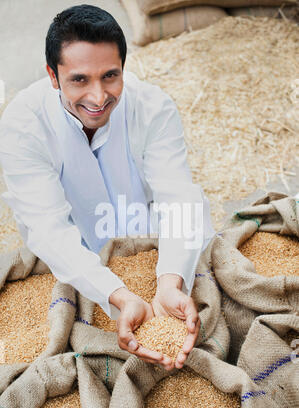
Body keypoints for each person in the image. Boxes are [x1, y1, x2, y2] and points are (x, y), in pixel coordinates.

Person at [0, 5, 215, 371]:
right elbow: (48, 230)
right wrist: (118, 296)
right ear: (53, 76)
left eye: (110, 76)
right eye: (80, 80)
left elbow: (177, 199)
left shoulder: (153, 107)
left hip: (152, 250)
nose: (99, 97)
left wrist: (170, 281)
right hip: (75, 266)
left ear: (123, 68)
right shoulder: (23, 125)